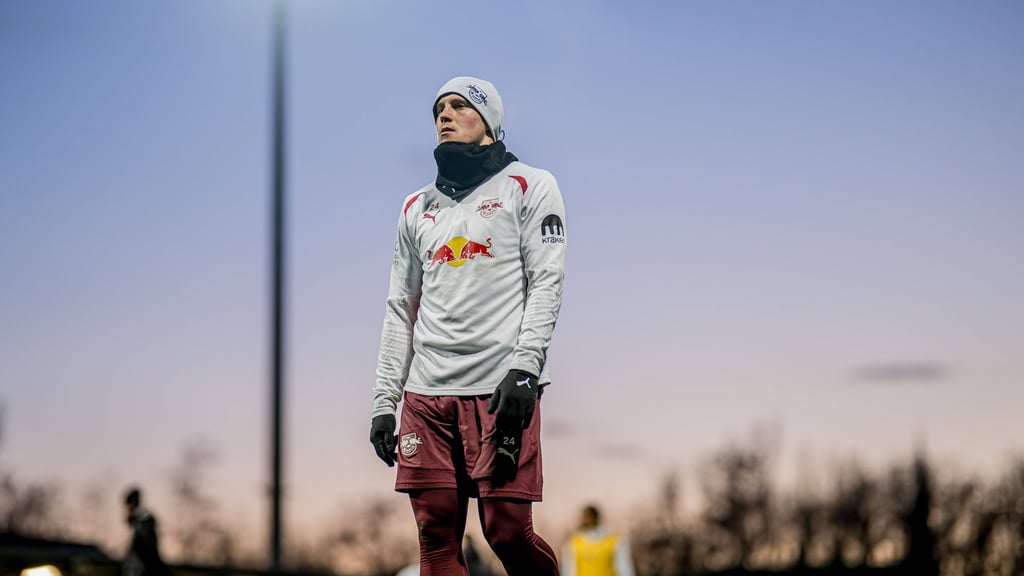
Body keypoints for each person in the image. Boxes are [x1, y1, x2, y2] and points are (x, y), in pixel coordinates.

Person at [370, 76, 567, 576]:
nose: (444, 114)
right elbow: (399, 308)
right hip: (425, 396)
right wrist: (383, 403)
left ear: (490, 123)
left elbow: (546, 282)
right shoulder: (415, 207)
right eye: (439, 108)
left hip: (499, 389)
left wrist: (525, 368)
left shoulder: (530, 184)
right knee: (435, 539)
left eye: (459, 106)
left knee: (505, 533)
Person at [561, 505, 635, 576]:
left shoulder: (615, 542)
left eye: (589, 516)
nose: (586, 520)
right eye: (585, 517)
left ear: (596, 517)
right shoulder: (573, 543)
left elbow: (625, 569)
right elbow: (569, 570)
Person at [122, 487, 171, 576]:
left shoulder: (143, 524)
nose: (127, 511)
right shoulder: (142, 524)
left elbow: (145, 551)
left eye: (128, 507)